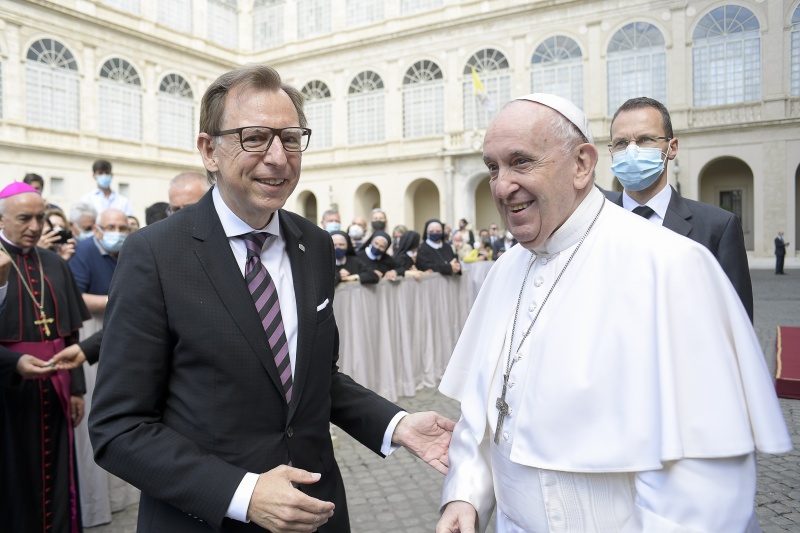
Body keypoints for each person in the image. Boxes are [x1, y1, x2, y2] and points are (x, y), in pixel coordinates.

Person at [88, 64, 454, 533]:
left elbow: (311, 379)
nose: (278, 157)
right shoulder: (155, 254)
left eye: (291, 138)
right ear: (209, 151)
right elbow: (119, 429)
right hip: (206, 520)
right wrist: (242, 493)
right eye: (255, 137)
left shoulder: (315, 245)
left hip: (317, 512)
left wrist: (395, 424)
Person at [435, 93, 792, 533]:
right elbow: (488, 410)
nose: (502, 186)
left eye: (521, 162)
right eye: (493, 167)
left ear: (582, 165)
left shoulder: (671, 265)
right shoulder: (506, 268)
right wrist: (465, 494)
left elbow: (704, 477)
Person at [604, 97, 753, 321]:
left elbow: (736, 325)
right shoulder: (594, 222)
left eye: (645, 140)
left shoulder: (718, 228)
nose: (631, 152)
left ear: (672, 148)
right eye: (621, 143)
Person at [0, 181, 91, 533]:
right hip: (8, 390)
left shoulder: (53, 261)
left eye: (40, 218)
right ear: (2, 219)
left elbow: (70, 332)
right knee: (15, 474)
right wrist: (13, 364)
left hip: (55, 384)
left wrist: (77, 389)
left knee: (58, 468)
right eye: (25, 218)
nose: (36, 227)